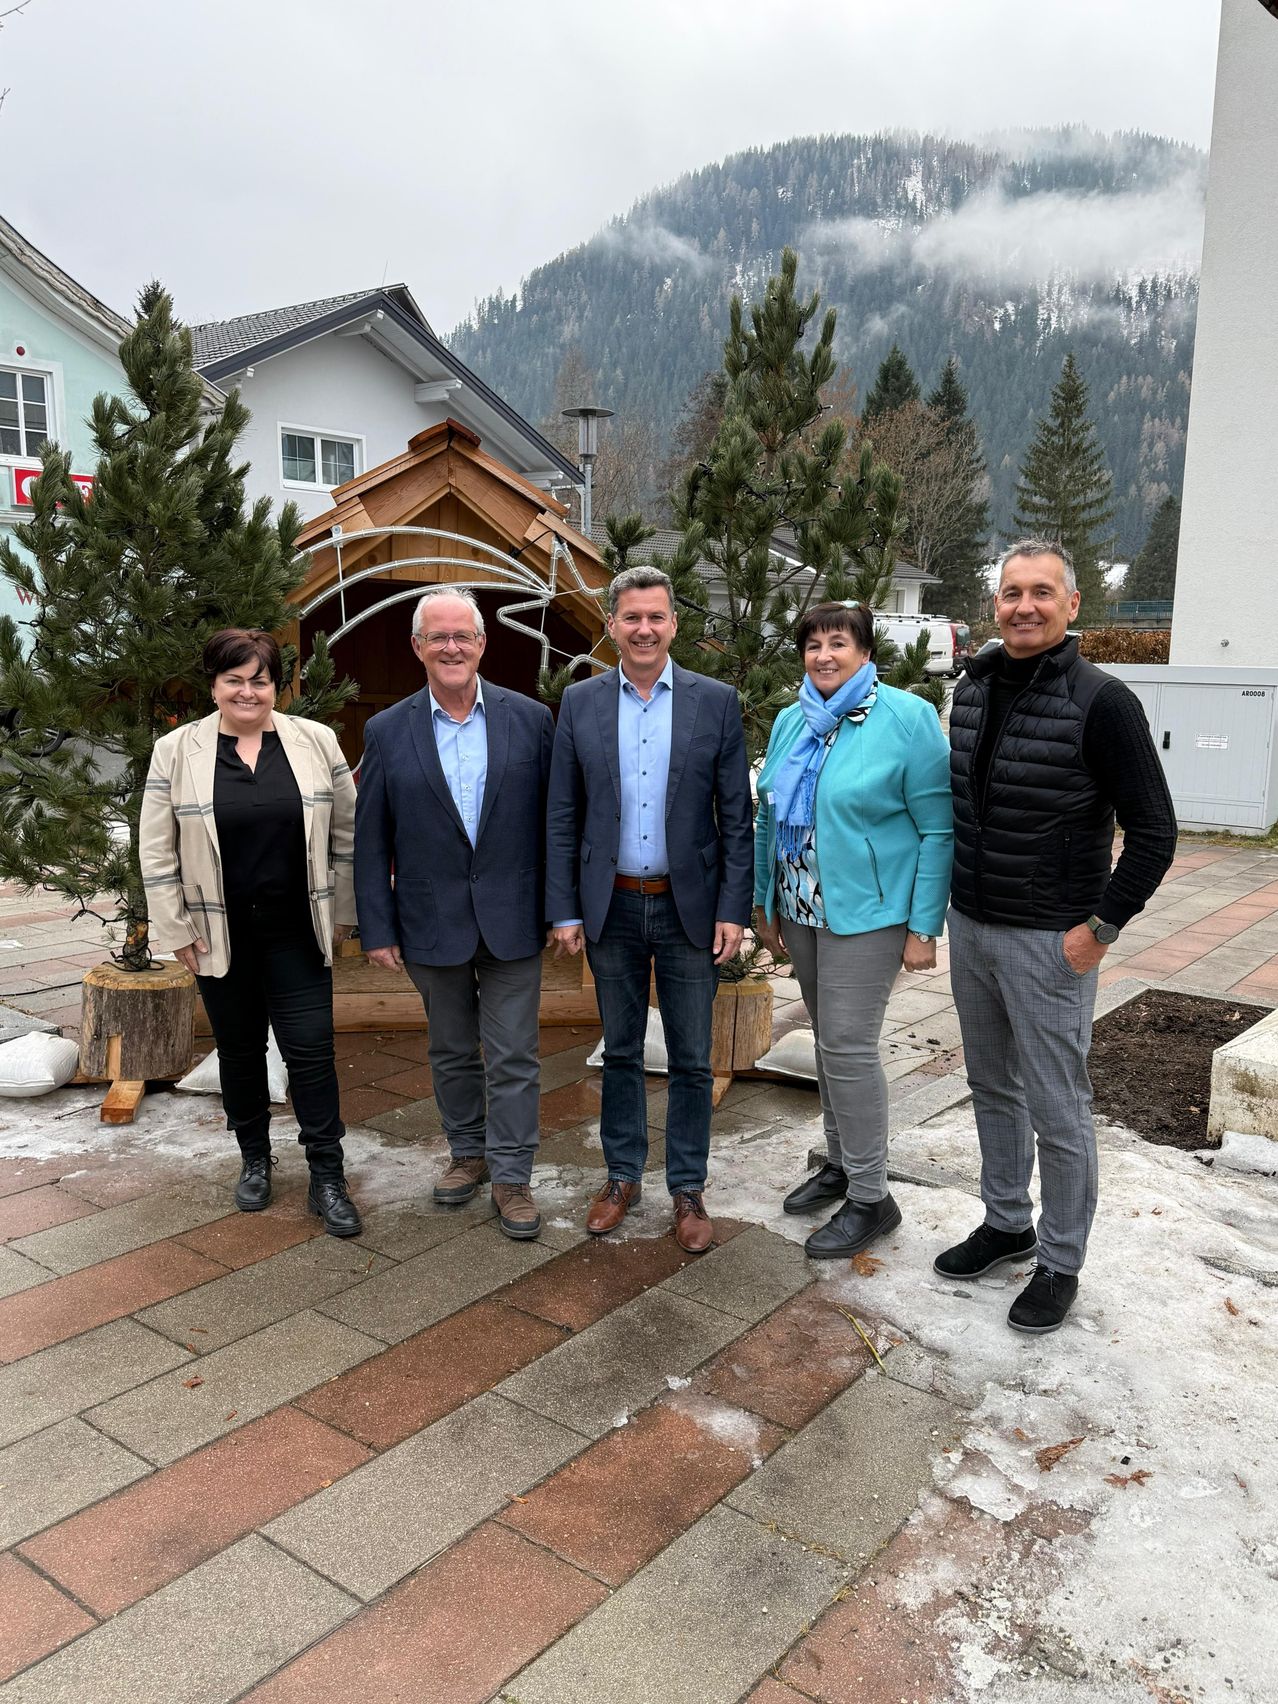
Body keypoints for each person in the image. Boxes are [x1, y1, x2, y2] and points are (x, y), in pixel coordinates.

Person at [937, 539, 1177, 1333]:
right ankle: (1007, 1222)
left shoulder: (1103, 701)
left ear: (1074, 606)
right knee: (992, 1087)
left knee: (1058, 1108)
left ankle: (1061, 1259)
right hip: (971, 928)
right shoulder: (970, 690)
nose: (1024, 606)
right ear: (995, 604)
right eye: (1011, 593)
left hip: (1051, 942)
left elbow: (1154, 830)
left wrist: (1100, 929)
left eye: (1042, 592)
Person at [547, 567, 753, 1252]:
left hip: (688, 909)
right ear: (611, 625)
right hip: (611, 907)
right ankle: (621, 1176)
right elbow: (563, 813)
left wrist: (735, 909)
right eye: (631, 617)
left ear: (673, 624)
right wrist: (565, 909)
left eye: (656, 617)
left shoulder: (714, 701)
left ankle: (688, 1187)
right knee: (623, 1051)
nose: (643, 629)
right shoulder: (579, 704)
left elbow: (736, 816)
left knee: (694, 1057)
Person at [140, 629, 361, 1235]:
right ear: (213, 685)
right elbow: (157, 852)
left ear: (276, 686)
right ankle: (255, 1160)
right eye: (233, 679)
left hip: (297, 930)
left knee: (312, 1054)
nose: (247, 691)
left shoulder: (315, 742)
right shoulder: (175, 751)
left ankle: (328, 1174)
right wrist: (174, 927)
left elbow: (348, 833)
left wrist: (343, 914)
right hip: (218, 933)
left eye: (259, 679)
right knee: (239, 1052)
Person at [753, 602, 953, 1258]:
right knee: (828, 1044)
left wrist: (924, 928)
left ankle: (872, 1197)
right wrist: (766, 903)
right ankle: (841, 1164)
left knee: (848, 1045)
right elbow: (768, 819)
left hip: (870, 912)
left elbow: (936, 828)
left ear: (865, 651)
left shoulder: (907, 718)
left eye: (838, 643)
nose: (823, 655)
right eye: (812, 644)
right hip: (802, 908)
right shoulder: (792, 721)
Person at [354, 588, 554, 1239]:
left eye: (462, 635)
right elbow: (371, 838)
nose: (451, 647)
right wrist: (376, 926)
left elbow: (558, 825)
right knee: (450, 1050)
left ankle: (514, 1175)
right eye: (437, 637)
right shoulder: (387, 731)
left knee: (515, 1052)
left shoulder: (530, 720)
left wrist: (564, 911)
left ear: (482, 644)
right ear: (417, 648)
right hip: (429, 920)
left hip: (515, 916)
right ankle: (467, 1155)